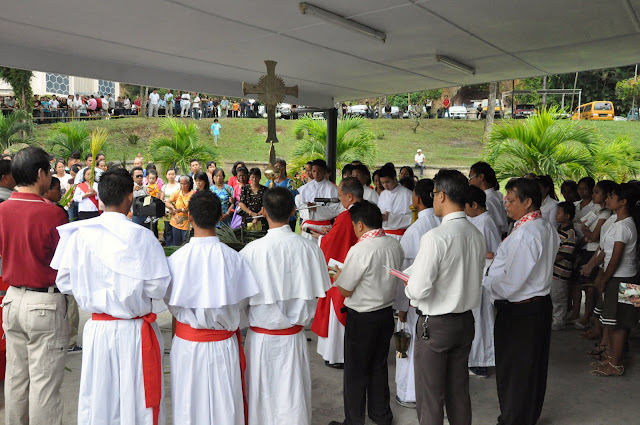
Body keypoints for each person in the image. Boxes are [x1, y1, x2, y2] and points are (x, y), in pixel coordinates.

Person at [51, 167, 171, 425]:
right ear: (130, 198)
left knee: (100, 399)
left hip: (99, 330)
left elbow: (64, 281)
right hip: (133, 330)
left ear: (100, 199)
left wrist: (92, 286)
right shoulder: (143, 237)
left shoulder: (80, 235)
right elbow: (157, 289)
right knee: (135, 400)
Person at [165, 190, 259, 424]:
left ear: (189, 217)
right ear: (220, 217)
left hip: (188, 346)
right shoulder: (235, 259)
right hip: (222, 345)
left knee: (189, 408)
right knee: (224, 408)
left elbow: (169, 301)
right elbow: (243, 303)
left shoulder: (175, 260)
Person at [240, 187, 331, 425]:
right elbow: (321, 291)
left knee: (262, 400)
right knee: (293, 399)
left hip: (262, 339)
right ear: (293, 211)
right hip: (292, 338)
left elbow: (240, 303)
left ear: (263, 211)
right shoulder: (311, 249)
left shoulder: (250, 252)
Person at [404, 169, 485, 425]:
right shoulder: (476, 234)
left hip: (436, 325)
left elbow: (418, 290)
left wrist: (409, 285)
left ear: (441, 195)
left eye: (434, 193)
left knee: (430, 397)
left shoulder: (435, 237)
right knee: (458, 392)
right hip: (464, 321)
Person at [0, 147, 69, 425]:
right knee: (44, 384)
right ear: (41, 173)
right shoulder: (53, 214)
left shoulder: (2, 210)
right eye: (49, 171)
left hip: (12, 298)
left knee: (16, 378)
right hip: (44, 303)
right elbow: (65, 263)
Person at [484, 178, 559, 425]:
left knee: (515, 369)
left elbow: (512, 283)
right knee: (531, 368)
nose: (506, 204)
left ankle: (514, 419)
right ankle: (525, 416)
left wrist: (486, 281)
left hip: (520, 310)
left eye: (511, 200)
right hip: (537, 305)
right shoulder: (543, 226)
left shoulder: (526, 234)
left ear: (528, 202)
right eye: (506, 199)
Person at [328, 201, 404, 425]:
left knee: (355, 371)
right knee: (378, 366)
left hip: (362, 317)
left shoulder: (361, 249)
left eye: (353, 225)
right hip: (384, 314)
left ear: (360, 225)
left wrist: (337, 275)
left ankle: (354, 420)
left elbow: (346, 289)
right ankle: (381, 416)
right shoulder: (394, 244)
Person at [393, 179, 440, 408]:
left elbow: (405, 272)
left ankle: (409, 393)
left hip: (416, 298)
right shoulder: (441, 223)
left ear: (417, 199)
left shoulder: (416, 230)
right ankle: (431, 392)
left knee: (410, 345)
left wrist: (402, 305)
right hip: (439, 299)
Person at [589, 183, 640, 377]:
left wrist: (604, 279)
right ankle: (612, 357)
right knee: (616, 321)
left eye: (611, 197)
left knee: (618, 323)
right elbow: (607, 252)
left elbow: (615, 258)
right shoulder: (619, 223)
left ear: (623, 202)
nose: (607, 199)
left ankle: (616, 364)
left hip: (621, 278)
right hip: (627, 276)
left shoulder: (623, 226)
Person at [310, 178, 361, 369]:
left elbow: (332, 244)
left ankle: (337, 355)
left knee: (337, 310)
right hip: (359, 269)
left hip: (340, 269)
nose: (339, 199)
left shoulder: (346, 216)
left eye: (340, 196)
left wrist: (321, 238)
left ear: (350, 196)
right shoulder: (367, 211)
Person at [463, 185, 501, 378]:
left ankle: (480, 363)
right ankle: (477, 360)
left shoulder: (485, 222)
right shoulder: (477, 220)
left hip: (482, 277)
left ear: (474, 205)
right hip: (475, 276)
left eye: (465, 206)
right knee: (477, 319)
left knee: (480, 320)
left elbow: (493, 253)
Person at [295, 159, 339, 238]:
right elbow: (300, 206)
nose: (316, 174)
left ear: (324, 172)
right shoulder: (305, 188)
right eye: (314, 171)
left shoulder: (332, 189)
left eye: (319, 171)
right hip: (308, 226)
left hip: (324, 227)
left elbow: (335, 210)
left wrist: (317, 208)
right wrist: (308, 207)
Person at [551, 201, 576, 331]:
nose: (556, 215)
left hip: (561, 271)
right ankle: (555, 318)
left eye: (559, 213)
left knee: (559, 296)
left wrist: (548, 260)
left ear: (567, 216)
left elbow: (564, 254)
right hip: (553, 270)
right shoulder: (558, 229)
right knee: (553, 295)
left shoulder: (570, 233)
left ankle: (559, 321)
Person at [468, 161, 508, 235]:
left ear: (481, 177)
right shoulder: (496, 195)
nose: (469, 182)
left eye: (470, 177)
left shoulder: (486, 201)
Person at [377, 165, 412, 240]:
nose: (385, 185)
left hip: (400, 236)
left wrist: (391, 218)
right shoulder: (383, 194)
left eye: (387, 182)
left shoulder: (407, 194)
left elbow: (412, 218)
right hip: (384, 234)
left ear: (394, 178)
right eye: (382, 183)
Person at [266, 158, 298, 231]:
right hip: (274, 214)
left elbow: (294, 198)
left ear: (284, 168)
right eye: (276, 167)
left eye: (281, 167)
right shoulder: (269, 182)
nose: (279, 169)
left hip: (288, 215)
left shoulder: (290, 182)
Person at [166, 175, 195, 246]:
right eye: (181, 184)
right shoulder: (178, 193)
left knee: (186, 244)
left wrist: (182, 210)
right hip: (176, 222)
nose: (182, 186)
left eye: (184, 184)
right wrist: (172, 208)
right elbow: (167, 202)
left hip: (187, 223)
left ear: (189, 184)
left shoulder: (193, 194)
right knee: (176, 244)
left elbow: (194, 209)